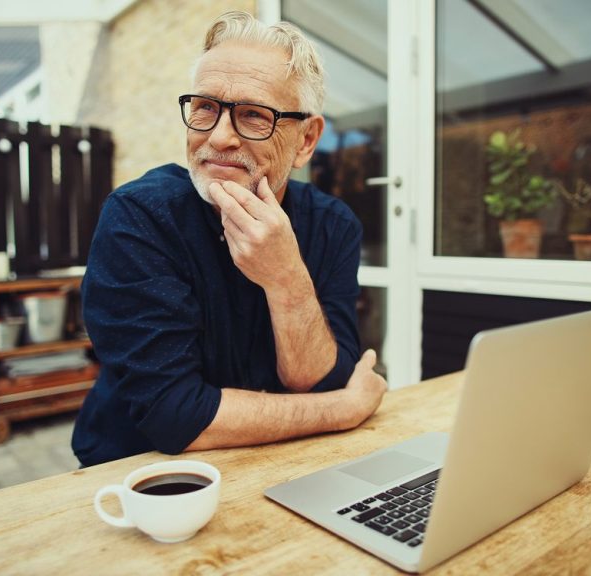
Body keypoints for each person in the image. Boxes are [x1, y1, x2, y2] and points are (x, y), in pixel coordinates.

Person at [72, 11, 387, 466]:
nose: (219, 137)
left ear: (305, 140)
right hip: (141, 477)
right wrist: (344, 409)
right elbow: (174, 415)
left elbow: (319, 380)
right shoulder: (140, 218)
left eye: (254, 115)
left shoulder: (333, 224)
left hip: (282, 462)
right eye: (205, 107)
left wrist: (286, 278)